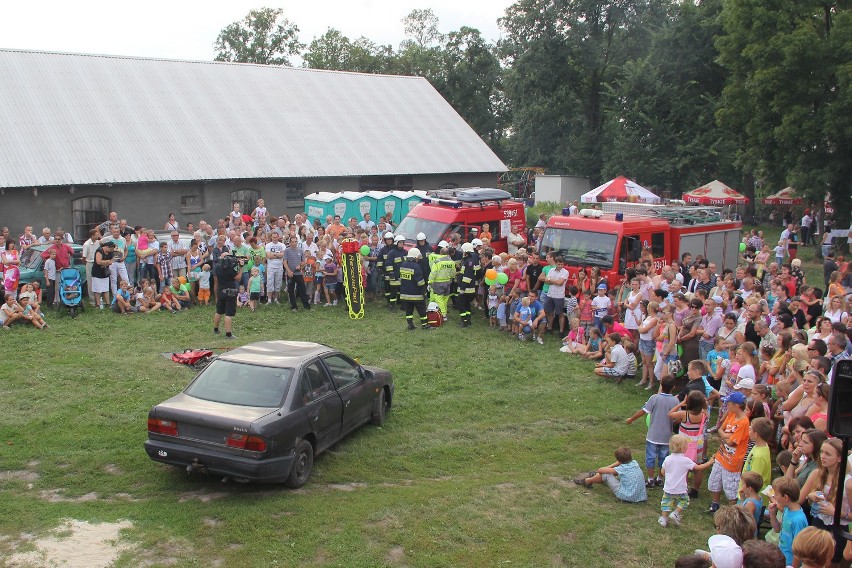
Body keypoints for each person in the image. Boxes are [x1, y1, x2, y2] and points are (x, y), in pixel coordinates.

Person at [626, 374, 679, 488]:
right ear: (673, 387)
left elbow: (643, 411)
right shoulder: (675, 401)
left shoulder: (654, 398)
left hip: (653, 435)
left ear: (661, 384)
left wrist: (631, 419)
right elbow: (677, 417)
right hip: (666, 437)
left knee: (650, 457)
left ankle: (650, 479)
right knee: (663, 458)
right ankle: (660, 478)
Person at [707, 391, 750, 514]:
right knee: (714, 481)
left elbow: (732, 443)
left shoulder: (743, 422)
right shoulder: (731, 414)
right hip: (721, 456)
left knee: (730, 489)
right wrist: (727, 436)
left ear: (737, 405)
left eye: (729, 404)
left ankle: (734, 511)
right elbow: (720, 428)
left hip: (732, 461)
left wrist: (726, 437)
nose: (727, 406)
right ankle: (715, 504)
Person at [658, 434, 715, 527]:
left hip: (668, 487)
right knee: (684, 501)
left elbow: (662, 471)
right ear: (684, 448)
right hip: (681, 488)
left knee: (666, 503)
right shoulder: (686, 460)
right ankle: (676, 513)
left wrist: (668, 477)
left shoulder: (667, 459)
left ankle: (664, 519)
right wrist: (710, 462)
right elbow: (698, 467)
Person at [571, 446, 647, 503]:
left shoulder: (621, 469)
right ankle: (595, 478)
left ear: (618, 460)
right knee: (611, 475)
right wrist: (618, 462)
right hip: (640, 497)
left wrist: (602, 471)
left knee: (606, 474)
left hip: (626, 497)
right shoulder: (635, 463)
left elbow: (600, 470)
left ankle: (587, 481)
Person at [768, 476, 808, 566]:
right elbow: (777, 529)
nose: (774, 496)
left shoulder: (798, 520)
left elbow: (799, 550)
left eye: (776, 494)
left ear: (785, 497)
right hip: (781, 557)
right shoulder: (787, 510)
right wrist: (772, 514)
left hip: (790, 562)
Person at [399, 248, 430, 331]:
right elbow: (420, 282)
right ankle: (424, 325)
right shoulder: (416, 266)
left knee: (409, 310)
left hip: (405, 293)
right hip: (416, 294)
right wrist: (424, 289)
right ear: (415, 257)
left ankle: (410, 325)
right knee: (422, 309)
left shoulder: (402, 265)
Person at [213, 252, 240, 338]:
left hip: (221, 290)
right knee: (228, 313)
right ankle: (228, 334)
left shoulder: (217, 267)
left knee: (219, 311)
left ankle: (216, 329)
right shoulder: (230, 267)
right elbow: (238, 278)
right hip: (230, 291)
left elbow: (216, 280)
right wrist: (241, 268)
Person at [284, 236, 311, 311]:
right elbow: (285, 262)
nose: (294, 243)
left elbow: (304, 262)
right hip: (290, 274)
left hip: (298, 273)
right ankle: (293, 306)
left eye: (295, 242)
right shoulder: (287, 250)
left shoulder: (300, 250)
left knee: (302, 290)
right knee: (291, 290)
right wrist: (288, 271)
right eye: (292, 242)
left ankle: (306, 306)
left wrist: (300, 265)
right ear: (290, 243)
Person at [91, 240, 116, 309]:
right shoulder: (99, 251)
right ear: (107, 247)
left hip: (105, 272)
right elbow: (98, 261)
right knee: (97, 289)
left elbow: (112, 260)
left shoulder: (111, 253)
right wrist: (107, 262)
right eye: (110, 249)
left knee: (106, 288)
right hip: (97, 272)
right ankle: (98, 304)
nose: (111, 251)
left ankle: (108, 303)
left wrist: (105, 263)